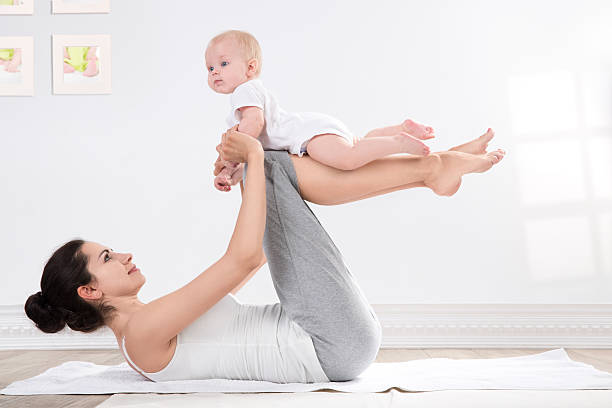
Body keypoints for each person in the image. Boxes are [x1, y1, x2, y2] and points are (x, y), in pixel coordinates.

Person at [24, 126, 505, 383]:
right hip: (328, 343)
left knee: (271, 166)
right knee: (270, 160)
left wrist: (248, 178)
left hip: (331, 335)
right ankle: (429, 169)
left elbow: (252, 260)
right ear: (90, 290)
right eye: (107, 257)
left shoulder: (153, 321)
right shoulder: (142, 334)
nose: (124, 254)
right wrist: (251, 162)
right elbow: (237, 260)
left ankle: (431, 167)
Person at [206, 30, 436, 192]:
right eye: (210, 67)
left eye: (223, 64)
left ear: (250, 67)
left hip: (308, 136)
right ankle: (401, 129)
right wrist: (230, 174)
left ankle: (399, 142)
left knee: (348, 159)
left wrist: (231, 151)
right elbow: (250, 155)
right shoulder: (247, 96)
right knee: (358, 143)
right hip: (315, 127)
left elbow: (253, 125)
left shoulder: (244, 92)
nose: (215, 72)